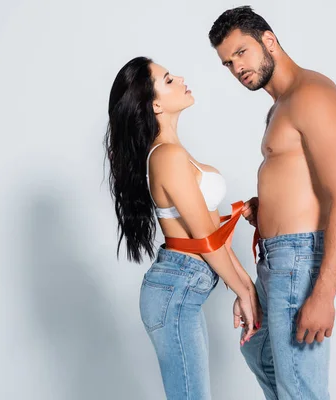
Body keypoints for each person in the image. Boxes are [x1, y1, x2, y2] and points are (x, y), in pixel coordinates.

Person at [208, 6, 336, 400]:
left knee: (300, 389)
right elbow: (303, 182)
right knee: (260, 352)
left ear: (269, 41)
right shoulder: (281, 106)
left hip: (298, 262)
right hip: (276, 259)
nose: (236, 67)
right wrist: (267, 208)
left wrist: (324, 295)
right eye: (227, 62)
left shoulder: (313, 97)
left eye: (241, 52)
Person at [104, 56, 262, 400]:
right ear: (155, 104)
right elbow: (206, 241)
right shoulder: (167, 156)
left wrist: (246, 288)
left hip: (180, 288)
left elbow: (209, 233)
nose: (180, 78)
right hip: (175, 292)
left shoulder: (175, 152)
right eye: (168, 79)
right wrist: (245, 291)